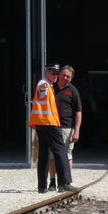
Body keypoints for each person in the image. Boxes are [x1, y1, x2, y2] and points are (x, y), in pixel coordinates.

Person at [30, 65, 70, 193]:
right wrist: (43, 87)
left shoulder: (49, 85)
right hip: (48, 123)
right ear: (47, 72)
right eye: (53, 73)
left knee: (44, 154)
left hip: (41, 124)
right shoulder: (44, 84)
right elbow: (42, 90)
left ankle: (42, 186)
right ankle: (64, 183)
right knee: (61, 151)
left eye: (57, 73)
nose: (55, 76)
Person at [52, 65, 82, 188]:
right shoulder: (51, 87)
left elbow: (78, 112)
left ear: (72, 78)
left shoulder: (73, 90)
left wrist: (77, 131)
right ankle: (52, 182)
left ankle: (66, 181)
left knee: (67, 154)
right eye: (63, 75)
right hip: (52, 126)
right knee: (52, 155)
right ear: (59, 74)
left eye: (68, 76)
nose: (65, 78)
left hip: (67, 127)